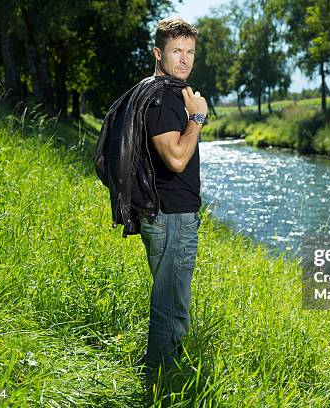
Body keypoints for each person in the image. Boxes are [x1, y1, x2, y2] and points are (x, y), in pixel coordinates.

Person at [136, 17, 208, 373]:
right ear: (157, 53)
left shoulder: (163, 92)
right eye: (176, 51)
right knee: (170, 301)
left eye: (190, 52)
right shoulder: (164, 99)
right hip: (171, 217)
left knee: (175, 297)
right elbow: (176, 159)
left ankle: (168, 365)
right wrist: (196, 118)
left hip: (166, 215)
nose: (184, 59)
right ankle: (161, 372)